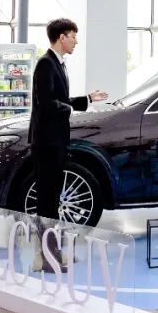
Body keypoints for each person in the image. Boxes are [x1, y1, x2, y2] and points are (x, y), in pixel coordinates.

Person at [30, 19, 109, 224]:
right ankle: (45, 235)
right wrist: (70, 110)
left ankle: (50, 234)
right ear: (61, 37)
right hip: (47, 142)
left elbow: (61, 99)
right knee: (47, 194)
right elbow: (46, 103)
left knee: (53, 192)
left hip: (55, 140)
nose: (76, 41)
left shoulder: (57, 63)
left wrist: (89, 98)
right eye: (73, 36)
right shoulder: (46, 63)